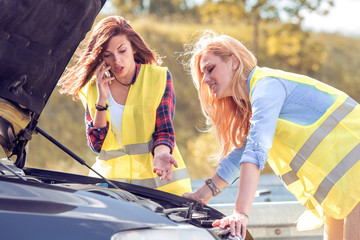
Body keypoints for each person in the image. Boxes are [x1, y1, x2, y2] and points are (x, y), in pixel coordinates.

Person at [183, 31, 360, 240]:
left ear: (233, 62)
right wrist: (202, 195)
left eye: (210, 69)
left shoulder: (267, 86)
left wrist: (240, 213)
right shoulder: (258, 96)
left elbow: (256, 149)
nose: (205, 79)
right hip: (345, 186)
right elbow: (242, 152)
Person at [58, 16, 191, 196]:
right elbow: (97, 145)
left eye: (122, 51)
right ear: (101, 57)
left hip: (160, 184)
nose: (117, 61)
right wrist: (101, 100)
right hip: (113, 186)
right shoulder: (92, 88)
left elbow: (164, 131)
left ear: (133, 47)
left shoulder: (159, 78)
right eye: (108, 55)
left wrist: (161, 153)